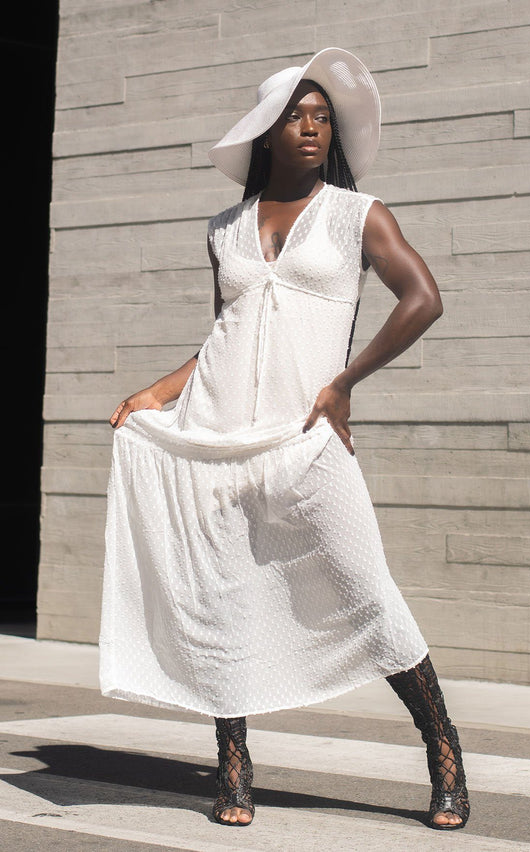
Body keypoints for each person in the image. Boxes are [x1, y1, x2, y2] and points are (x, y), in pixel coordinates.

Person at [98, 47, 470, 832]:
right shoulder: (225, 228)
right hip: (217, 433)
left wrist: (343, 384)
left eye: (321, 116)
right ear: (266, 132)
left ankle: (443, 753)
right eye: (296, 116)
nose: (311, 127)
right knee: (222, 603)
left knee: (367, 591)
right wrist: (154, 396)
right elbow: (228, 335)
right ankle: (234, 770)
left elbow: (423, 298)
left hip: (304, 438)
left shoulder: (355, 213)